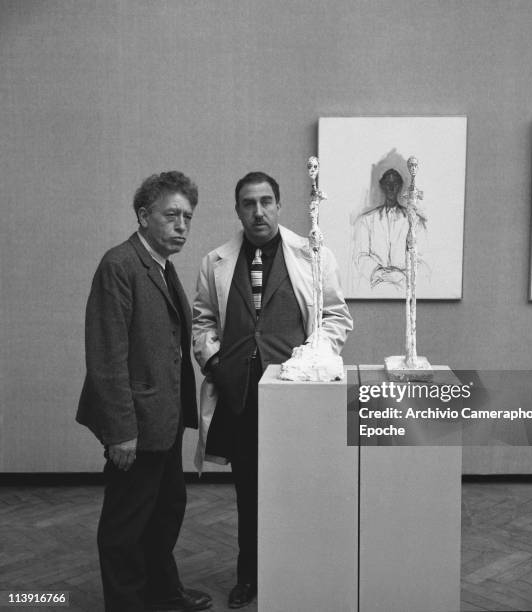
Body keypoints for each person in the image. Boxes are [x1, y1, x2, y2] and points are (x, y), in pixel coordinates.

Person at [192, 171, 352, 609]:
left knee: (301, 488)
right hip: (242, 398)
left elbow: (336, 317)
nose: (258, 211)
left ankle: (304, 573)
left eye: (266, 201)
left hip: (297, 399)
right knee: (249, 493)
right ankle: (250, 576)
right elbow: (202, 320)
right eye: (248, 203)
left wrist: (312, 358)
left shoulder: (313, 255)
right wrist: (214, 362)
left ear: (280, 206)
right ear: (237, 209)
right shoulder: (216, 262)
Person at [77, 171, 212, 611]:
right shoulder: (120, 264)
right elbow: (106, 356)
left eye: (187, 217)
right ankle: (126, 602)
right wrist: (120, 432)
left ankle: (161, 590)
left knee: (165, 511)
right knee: (125, 524)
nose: (182, 226)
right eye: (172, 215)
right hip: (135, 426)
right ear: (142, 215)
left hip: (164, 423)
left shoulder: (160, 267)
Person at [352, 168, 426, 290]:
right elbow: (360, 256)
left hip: (404, 285)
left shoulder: (414, 221)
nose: (391, 188)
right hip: (374, 285)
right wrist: (380, 273)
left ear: (400, 186)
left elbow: (420, 259)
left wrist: (401, 275)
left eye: (395, 183)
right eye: (387, 184)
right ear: (382, 186)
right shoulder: (367, 220)